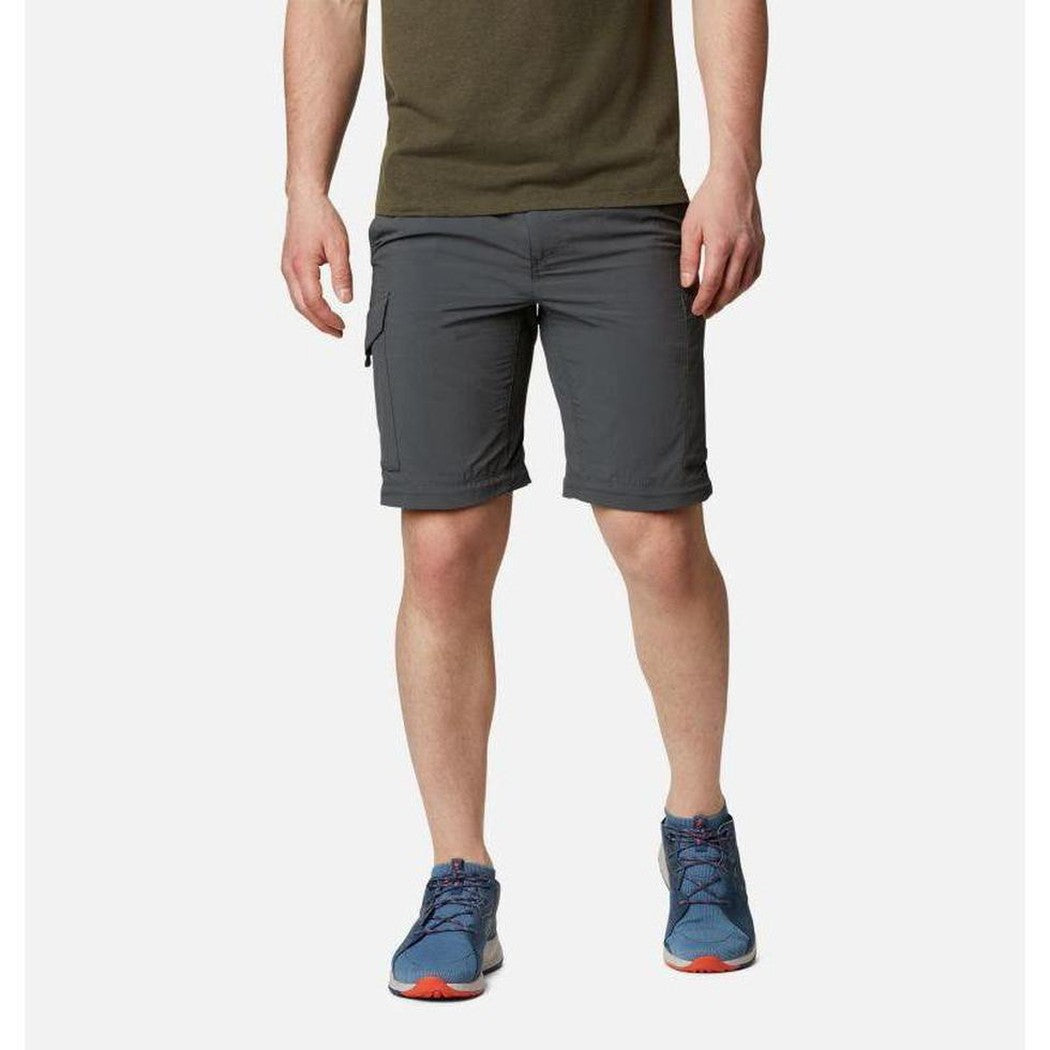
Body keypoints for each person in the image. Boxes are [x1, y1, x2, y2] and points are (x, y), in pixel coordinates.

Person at [282, 0, 768, 1000]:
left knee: (657, 533)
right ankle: (458, 876)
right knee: (443, 549)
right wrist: (303, 184)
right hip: (436, 210)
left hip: (623, 199)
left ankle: (699, 831)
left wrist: (735, 168)